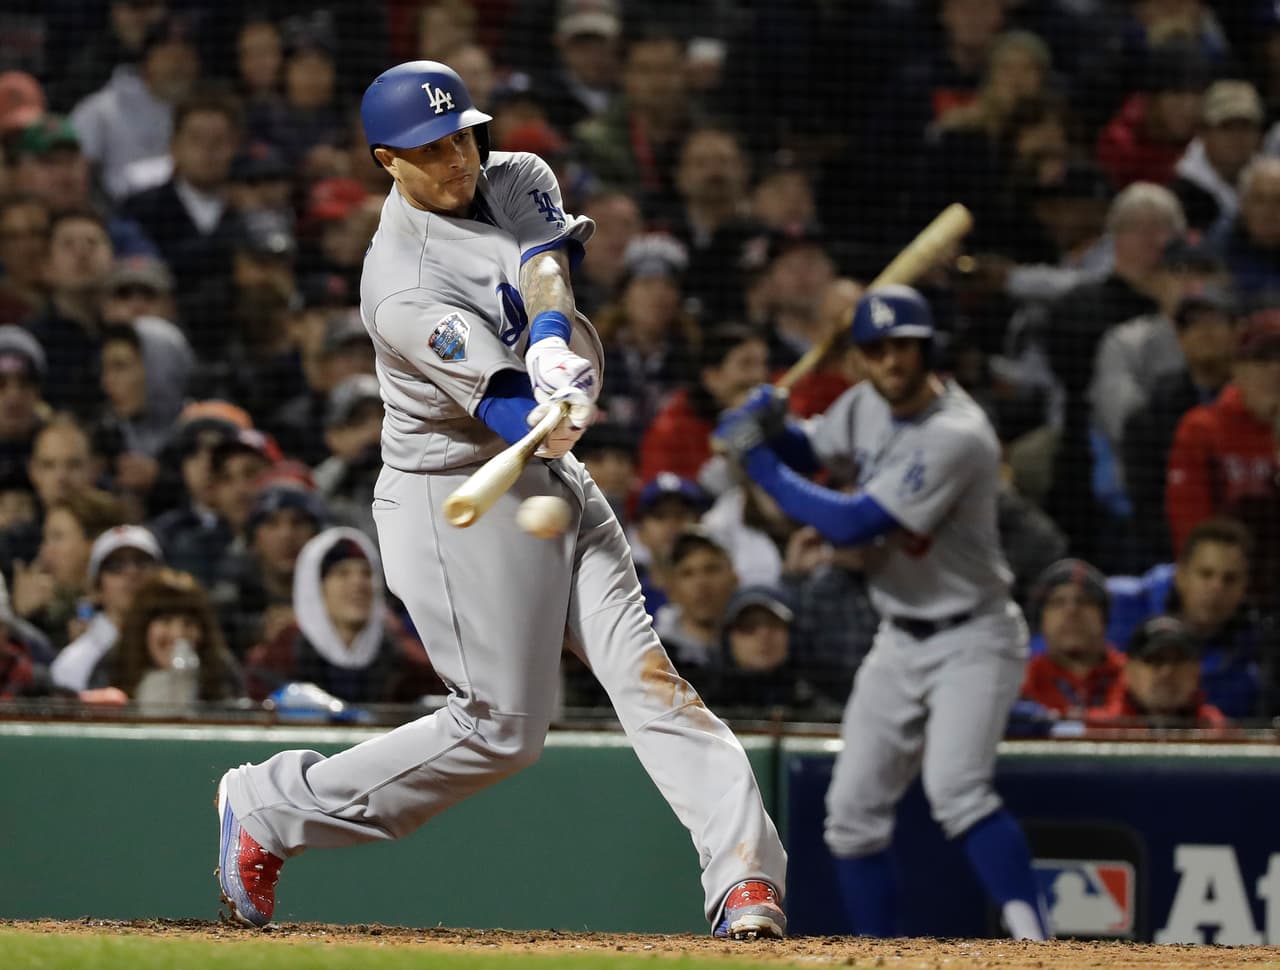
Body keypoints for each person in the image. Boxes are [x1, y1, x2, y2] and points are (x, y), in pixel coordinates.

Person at [214, 60, 787, 940]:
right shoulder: (399, 284)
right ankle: (270, 805)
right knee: (500, 732)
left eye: (462, 137)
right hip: (454, 498)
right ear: (386, 161)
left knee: (649, 680)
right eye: (430, 149)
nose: (456, 160)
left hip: (547, 482)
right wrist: (549, 413)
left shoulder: (515, 172)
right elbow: (506, 409)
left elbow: (544, 263)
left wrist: (552, 339)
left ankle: (744, 877)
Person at [714, 284, 1048, 940]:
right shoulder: (864, 403)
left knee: (958, 792)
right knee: (851, 817)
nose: (891, 361)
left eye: (904, 346)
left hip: (974, 633)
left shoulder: (958, 433)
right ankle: (881, 955)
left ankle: (1038, 945)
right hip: (899, 633)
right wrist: (776, 428)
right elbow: (814, 452)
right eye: (877, 349)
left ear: (927, 350)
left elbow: (853, 522)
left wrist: (756, 457)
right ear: (862, 357)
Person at [242, 527, 442, 704]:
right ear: (316, 587)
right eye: (342, 573)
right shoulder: (276, 661)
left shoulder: (411, 665)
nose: (358, 584)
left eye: (366, 573)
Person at [1020, 559, 1126, 718]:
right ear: (1041, 621)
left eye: (1084, 601)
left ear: (1104, 617)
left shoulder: (1135, 676)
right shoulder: (1020, 683)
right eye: (1057, 602)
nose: (1072, 611)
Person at [1087, 615, 1227, 729]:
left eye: (1178, 661)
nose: (1167, 671)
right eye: (1155, 660)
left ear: (1196, 671)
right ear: (1129, 671)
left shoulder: (1216, 730)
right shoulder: (1098, 730)